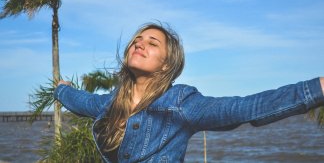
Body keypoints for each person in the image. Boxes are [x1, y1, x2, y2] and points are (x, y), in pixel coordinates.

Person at [54, 22, 324, 163]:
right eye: (137, 40)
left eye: (152, 43)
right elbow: (80, 100)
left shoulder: (181, 104)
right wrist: (61, 90)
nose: (140, 44)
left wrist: (315, 88)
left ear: (166, 64)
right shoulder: (110, 103)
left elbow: (244, 108)